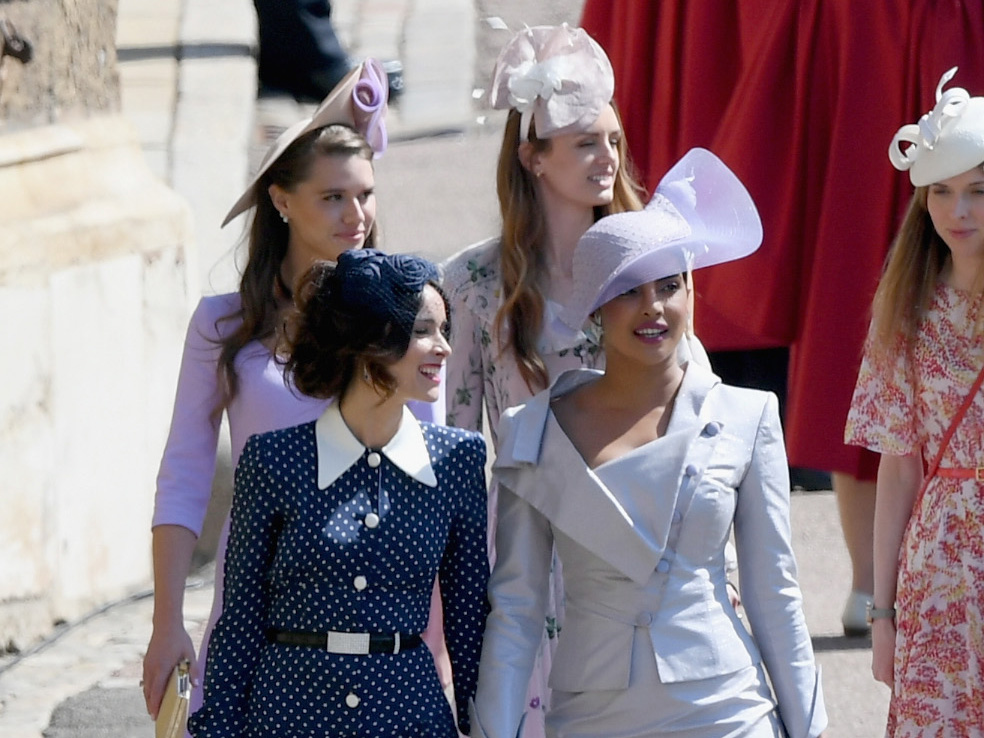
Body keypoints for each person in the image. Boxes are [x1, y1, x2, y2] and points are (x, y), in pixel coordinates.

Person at [581, 0, 984, 637]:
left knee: (854, 273)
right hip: (896, 32)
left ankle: (867, 583)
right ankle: (870, 583)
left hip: (867, 33)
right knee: (869, 282)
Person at [471, 148, 826, 738]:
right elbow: (516, 612)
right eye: (629, 290)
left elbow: (774, 594)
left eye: (669, 285)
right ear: (595, 310)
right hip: (591, 714)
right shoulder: (530, 430)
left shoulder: (749, 415)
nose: (653, 307)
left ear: (691, 293)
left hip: (727, 708)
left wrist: (809, 729)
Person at [141, 60, 452, 725]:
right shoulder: (222, 325)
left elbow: (434, 476)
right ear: (281, 200)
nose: (357, 215)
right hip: (262, 611)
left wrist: (441, 636)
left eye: (366, 194)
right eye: (333, 196)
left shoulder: (407, 321)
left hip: (388, 616)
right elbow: (185, 474)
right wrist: (168, 620)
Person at [187, 250, 489, 737]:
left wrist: (483, 727)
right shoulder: (273, 459)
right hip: (286, 714)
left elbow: (470, 622)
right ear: (368, 341)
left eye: (444, 330)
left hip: (409, 715)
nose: (443, 348)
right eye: (422, 331)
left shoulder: (457, 461)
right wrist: (217, 726)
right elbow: (239, 621)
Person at [441, 23, 646, 734]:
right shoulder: (469, 283)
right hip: (527, 560)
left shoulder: (644, 269)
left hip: (634, 548)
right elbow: (457, 449)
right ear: (532, 157)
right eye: (586, 141)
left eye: (613, 140)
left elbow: (688, 418)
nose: (607, 157)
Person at [845, 69, 984, 735]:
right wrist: (881, 616)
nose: (960, 212)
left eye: (980, 191)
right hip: (937, 573)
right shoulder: (905, 311)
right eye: (944, 193)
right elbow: (898, 468)